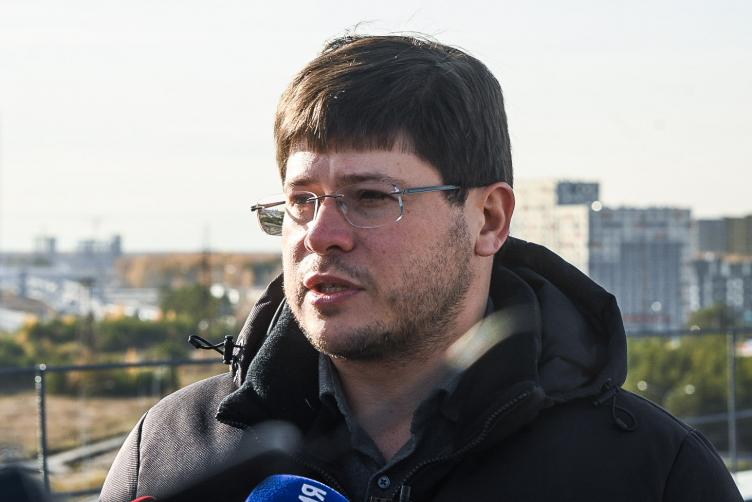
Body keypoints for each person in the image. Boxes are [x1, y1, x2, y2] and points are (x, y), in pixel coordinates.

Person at [100, 34, 743, 502]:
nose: (321, 235)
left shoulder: (651, 473)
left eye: (371, 198)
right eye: (302, 200)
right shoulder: (173, 451)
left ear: (488, 219)